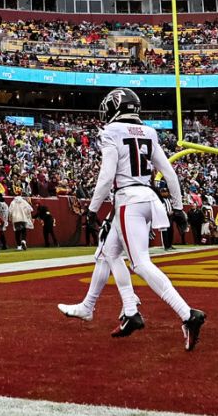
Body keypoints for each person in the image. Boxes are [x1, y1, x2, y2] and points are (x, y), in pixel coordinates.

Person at [56, 88, 206, 351]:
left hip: (128, 200)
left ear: (115, 107)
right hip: (148, 199)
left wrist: (92, 210)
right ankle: (117, 309)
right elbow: (170, 174)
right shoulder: (150, 132)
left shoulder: (111, 132)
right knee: (108, 251)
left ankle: (187, 313)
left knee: (140, 263)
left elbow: (107, 175)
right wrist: (179, 208)